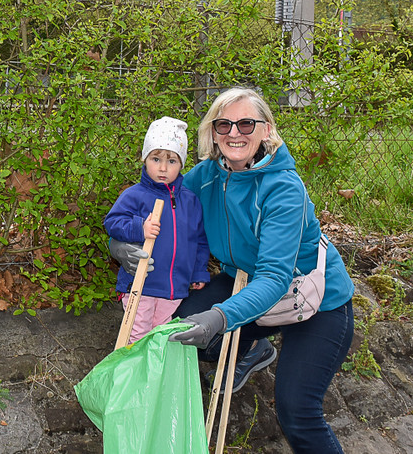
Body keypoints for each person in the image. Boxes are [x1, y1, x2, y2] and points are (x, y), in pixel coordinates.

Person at [112, 88, 354, 452]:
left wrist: (221, 318)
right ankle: (251, 347)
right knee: (182, 331)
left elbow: (274, 277)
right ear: (212, 132)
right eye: (224, 124)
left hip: (313, 300)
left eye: (246, 123)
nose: (234, 132)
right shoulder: (203, 178)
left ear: (267, 130)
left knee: (297, 409)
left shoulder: (284, 188)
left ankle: (242, 336)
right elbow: (154, 202)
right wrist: (118, 244)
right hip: (244, 280)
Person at [105, 117, 209, 343]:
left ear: (182, 164)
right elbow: (112, 222)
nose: (163, 167)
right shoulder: (134, 195)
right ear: (144, 159)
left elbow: (199, 240)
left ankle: (153, 377)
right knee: (137, 334)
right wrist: (139, 228)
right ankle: (133, 375)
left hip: (174, 288)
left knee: (159, 337)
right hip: (141, 284)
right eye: (156, 159)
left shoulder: (190, 202)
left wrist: (199, 272)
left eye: (172, 161)